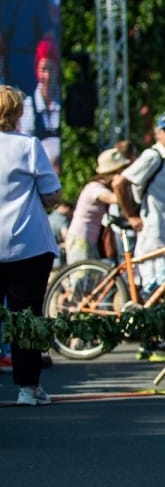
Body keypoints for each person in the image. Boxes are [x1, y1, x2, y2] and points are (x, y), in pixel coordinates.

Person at [0, 85, 62, 405]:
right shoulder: (28, 145)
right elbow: (52, 194)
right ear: (17, 113)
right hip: (27, 244)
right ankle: (28, 387)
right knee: (26, 317)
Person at [113, 112, 165, 295]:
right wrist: (131, 216)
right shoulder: (152, 156)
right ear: (157, 133)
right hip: (154, 233)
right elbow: (119, 183)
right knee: (152, 290)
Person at [64, 145, 133, 264]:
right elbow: (116, 199)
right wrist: (119, 184)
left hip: (89, 239)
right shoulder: (95, 188)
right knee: (81, 277)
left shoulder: (98, 187)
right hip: (80, 239)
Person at [17, 40, 61, 173]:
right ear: (37, 71)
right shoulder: (28, 106)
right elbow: (24, 144)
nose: (47, 76)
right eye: (43, 70)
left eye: (51, 69)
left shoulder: (64, 101)